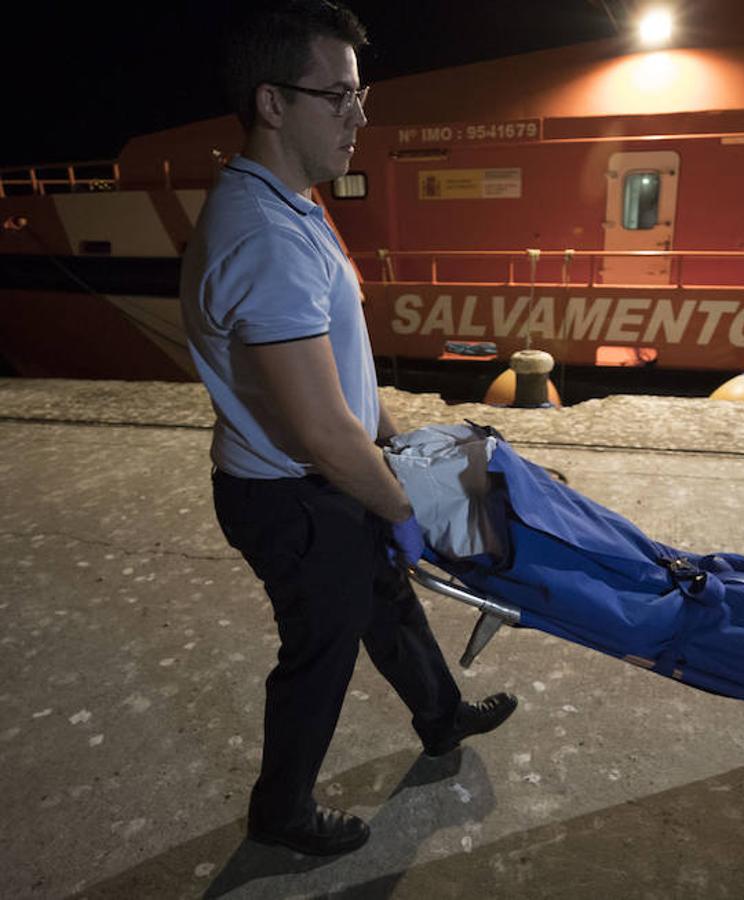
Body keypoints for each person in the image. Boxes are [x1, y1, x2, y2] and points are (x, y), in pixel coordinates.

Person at [180, 0, 516, 857]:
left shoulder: (289, 202)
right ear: (271, 102)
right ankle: (281, 811)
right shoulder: (265, 234)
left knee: (389, 602)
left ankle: (440, 718)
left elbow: (345, 375)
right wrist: (405, 508)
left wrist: (395, 445)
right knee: (319, 655)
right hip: (291, 497)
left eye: (361, 94)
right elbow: (327, 435)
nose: (360, 116)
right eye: (339, 95)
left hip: (326, 480)